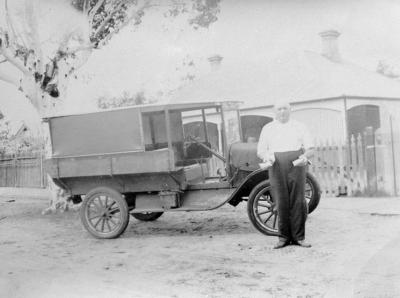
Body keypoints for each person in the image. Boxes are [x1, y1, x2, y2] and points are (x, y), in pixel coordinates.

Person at [257, 101, 314, 249]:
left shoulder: (300, 126)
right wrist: (267, 157)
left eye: (285, 109)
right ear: (274, 111)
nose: (282, 112)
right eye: (279, 109)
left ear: (290, 110)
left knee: (298, 200)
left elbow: (310, 148)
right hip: (276, 164)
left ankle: (299, 237)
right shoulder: (268, 128)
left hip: (296, 163)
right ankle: (283, 238)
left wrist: (304, 157)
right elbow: (261, 150)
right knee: (280, 200)